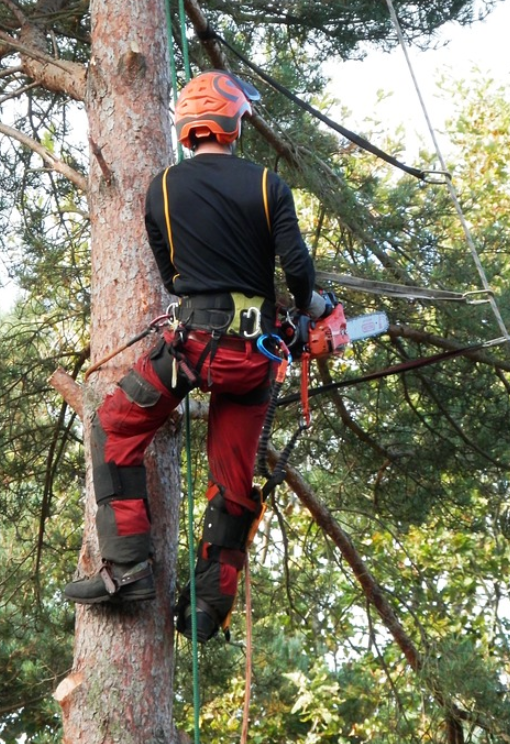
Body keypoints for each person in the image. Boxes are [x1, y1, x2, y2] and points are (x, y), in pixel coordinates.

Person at [64, 70, 328, 642]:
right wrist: (314, 306)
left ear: (189, 128)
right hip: (255, 360)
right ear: (233, 123)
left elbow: (170, 275)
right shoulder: (266, 185)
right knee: (232, 482)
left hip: (192, 351)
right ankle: (207, 607)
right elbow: (299, 274)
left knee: (114, 430)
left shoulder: (160, 188)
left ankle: (128, 567)